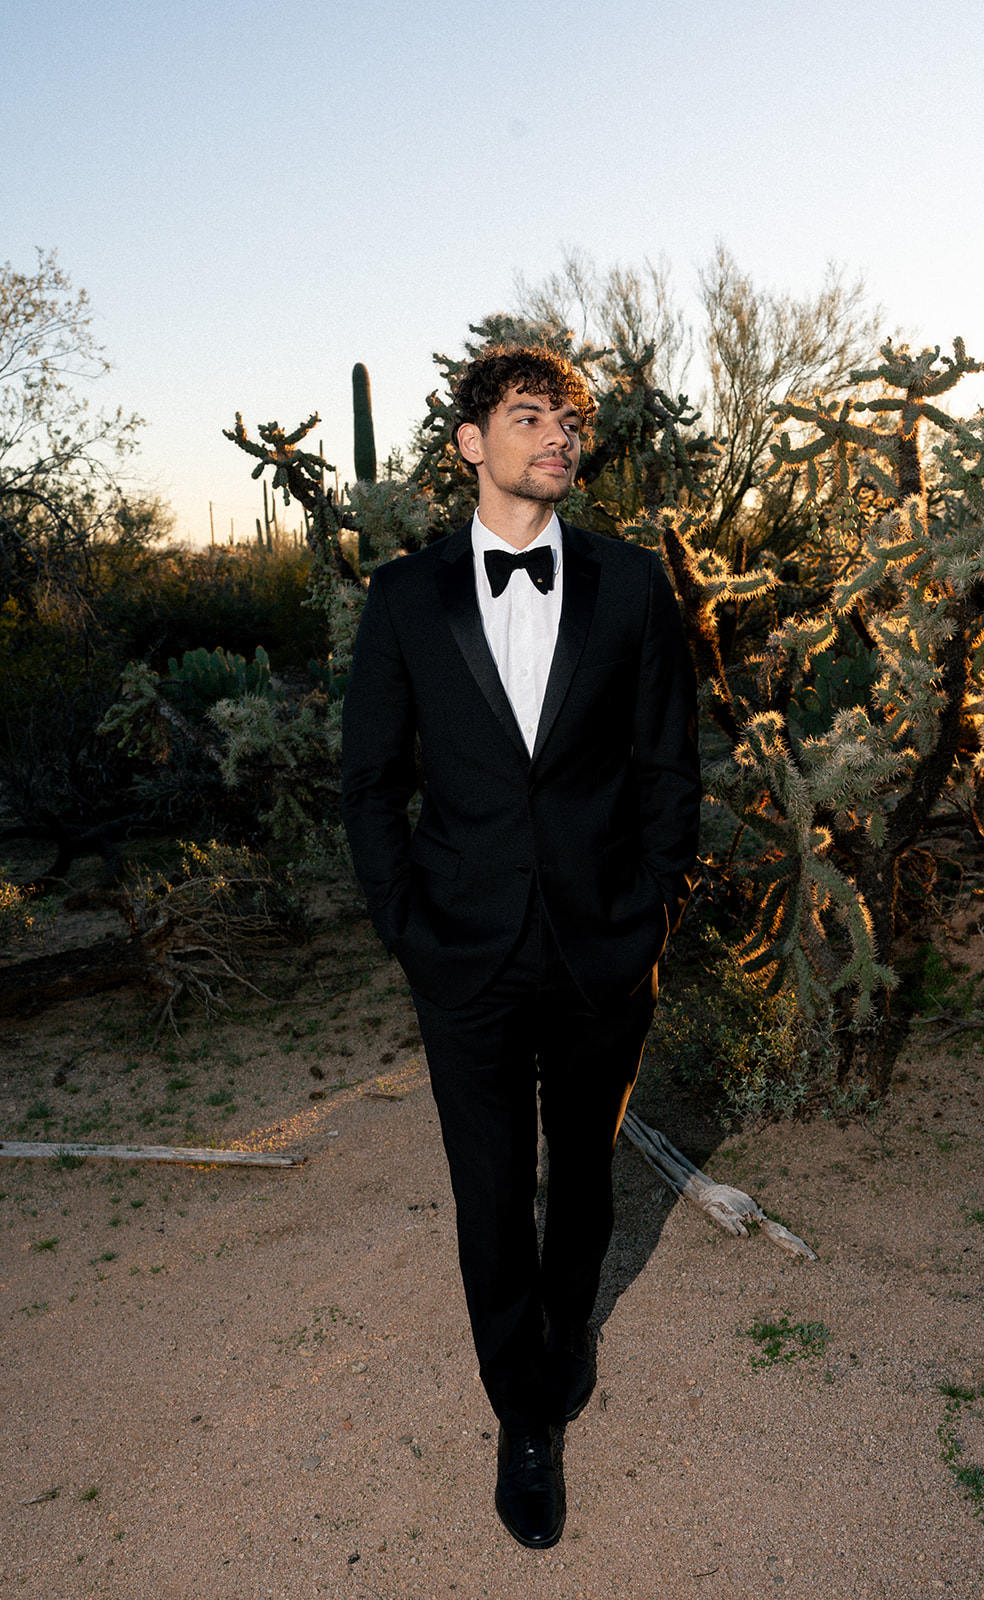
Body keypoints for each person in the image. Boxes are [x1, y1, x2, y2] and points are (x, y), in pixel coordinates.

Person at [341, 344, 700, 1549]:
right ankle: (525, 1412)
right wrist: (406, 924)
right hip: (465, 953)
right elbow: (370, 781)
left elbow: (667, 764)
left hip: (603, 944)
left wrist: (653, 902)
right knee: (491, 1191)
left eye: (571, 420)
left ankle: (567, 1325)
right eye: (529, 415)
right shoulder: (405, 597)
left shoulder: (633, 584)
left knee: (585, 1177)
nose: (560, 436)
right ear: (469, 443)